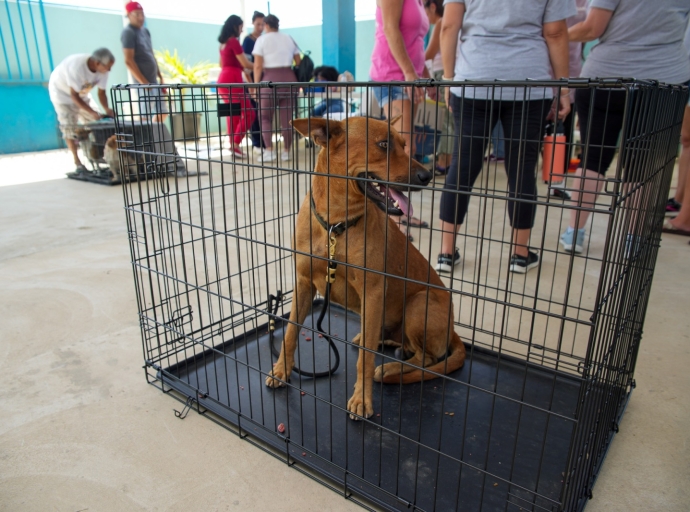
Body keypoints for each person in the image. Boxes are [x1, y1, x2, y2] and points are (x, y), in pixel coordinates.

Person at [438, 0, 573, 274]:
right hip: (527, 82)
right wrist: (564, 89)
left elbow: (449, 25)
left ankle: (446, 253)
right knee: (521, 168)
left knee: (462, 166)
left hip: (474, 79)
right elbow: (556, 32)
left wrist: (449, 79)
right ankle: (520, 255)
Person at [559, 0, 690, 254]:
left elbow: (591, 29)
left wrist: (550, 35)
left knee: (592, 160)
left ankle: (574, 232)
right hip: (663, 81)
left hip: (606, 78)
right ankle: (633, 238)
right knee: (642, 166)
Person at [370, 0, 433, 231]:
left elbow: (416, 42)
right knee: (400, 152)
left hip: (409, 79)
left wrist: (425, 75)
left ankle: (401, 212)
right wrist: (409, 73)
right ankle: (394, 220)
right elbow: (390, 28)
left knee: (409, 149)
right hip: (393, 76)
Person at [48, 49, 116, 173]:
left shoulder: (103, 70)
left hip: (83, 95)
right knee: (69, 127)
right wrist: (92, 113)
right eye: (107, 67)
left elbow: (101, 92)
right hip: (63, 95)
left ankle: (98, 159)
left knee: (97, 124)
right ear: (97, 63)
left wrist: (106, 109)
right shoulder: (77, 67)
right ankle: (78, 163)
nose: (109, 70)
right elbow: (74, 96)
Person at [252, 14, 301, 162]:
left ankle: (269, 151)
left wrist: (255, 86)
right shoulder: (289, 38)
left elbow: (258, 65)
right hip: (289, 79)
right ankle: (286, 151)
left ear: (266, 25)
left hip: (269, 81)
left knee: (265, 116)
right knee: (287, 118)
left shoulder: (262, 40)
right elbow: (298, 61)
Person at [121, 1, 167, 122]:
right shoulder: (128, 33)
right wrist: (143, 82)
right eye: (137, 14)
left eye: (142, 14)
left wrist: (160, 76)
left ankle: (153, 135)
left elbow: (151, 54)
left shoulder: (145, 32)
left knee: (163, 112)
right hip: (142, 83)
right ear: (129, 15)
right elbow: (129, 61)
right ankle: (145, 138)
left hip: (154, 80)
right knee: (144, 115)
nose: (140, 17)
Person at [217, 15, 255, 158]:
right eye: (240, 27)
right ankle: (235, 143)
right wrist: (260, 65)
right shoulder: (234, 42)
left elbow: (221, 64)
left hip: (222, 80)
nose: (242, 30)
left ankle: (232, 144)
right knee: (249, 112)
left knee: (232, 113)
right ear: (235, 27)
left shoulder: (223, 43)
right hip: (233, 80)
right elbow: (245, 64)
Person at [423, 0, 453, 174]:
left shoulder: (442, 22)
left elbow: (429, 53)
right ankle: (447, 161)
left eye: (426, 12)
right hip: (453, 74)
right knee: (451, 121)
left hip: (444, 75)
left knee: (446, 122)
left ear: (433, 6)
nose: (426, 17)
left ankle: (443, 162)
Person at [241, 11, 266, 155]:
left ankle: (264, 142)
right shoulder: (248, 41)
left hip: (264, 82)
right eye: (258, 24)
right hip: (252, 82)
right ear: (253, 23)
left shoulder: (264, 39)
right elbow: (246, 66)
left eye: (263, 24)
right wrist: (251, 84)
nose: (260, 27)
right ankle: (257, 143)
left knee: (263, 114)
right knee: (254, 114)